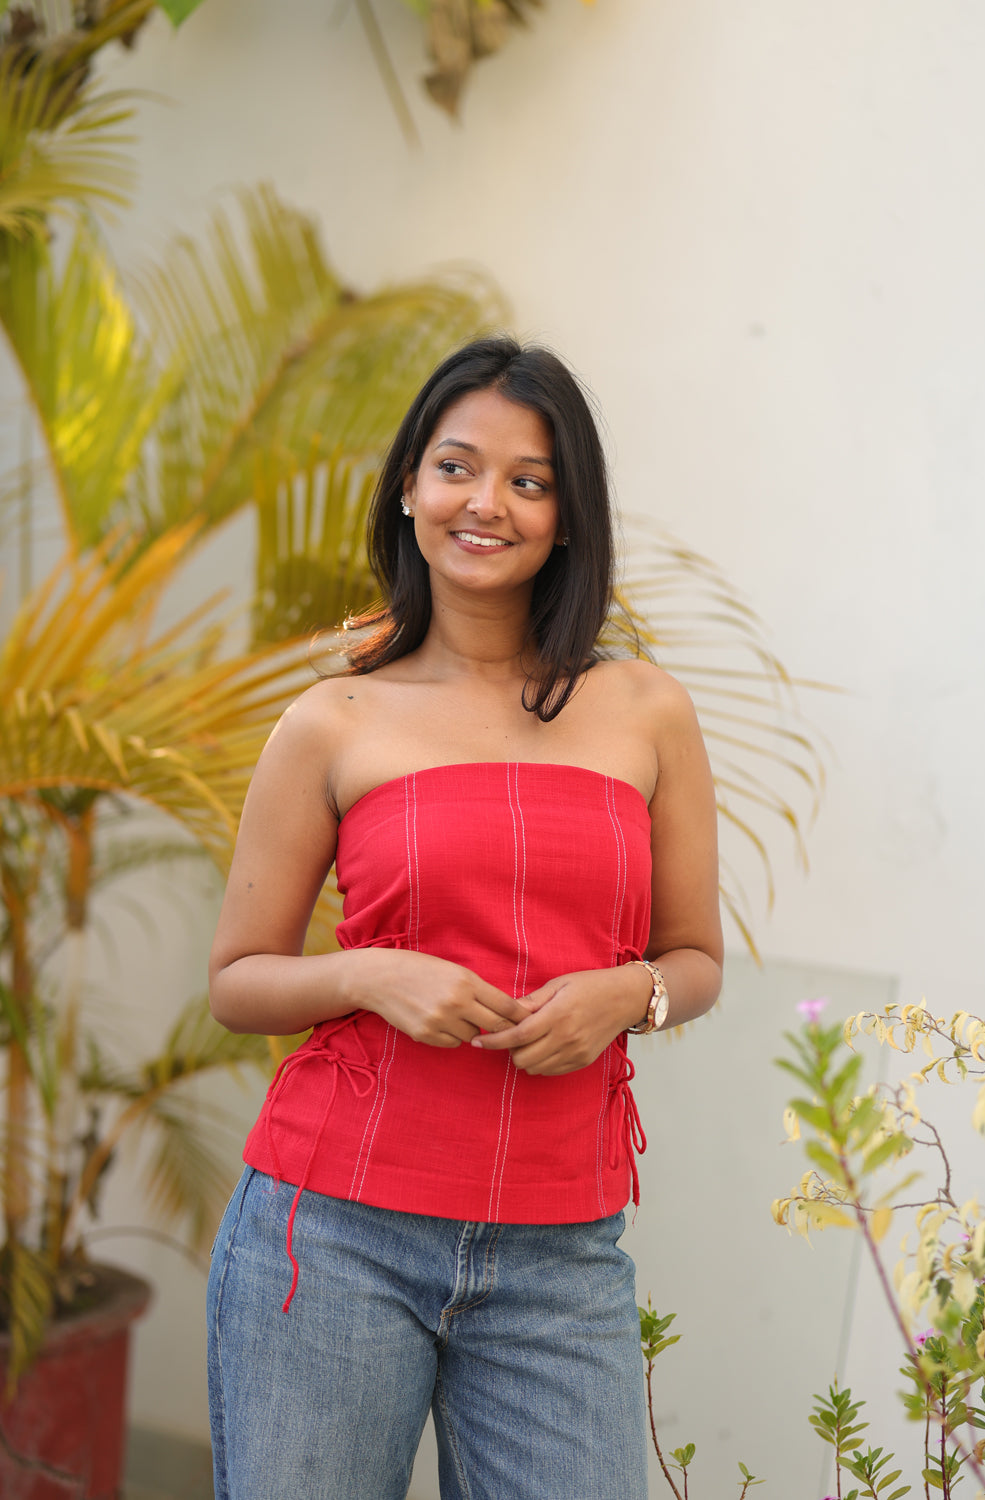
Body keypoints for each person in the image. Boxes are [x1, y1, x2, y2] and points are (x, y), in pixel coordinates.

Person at [205, 335, 724, 1500]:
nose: (486, 502)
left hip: (561, 1258)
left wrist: (624, 994)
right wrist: (370, 974)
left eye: (529, 481)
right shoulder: (333, 719)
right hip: (329, 1237)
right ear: (409, 488)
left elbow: (694, 961)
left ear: (567, 515)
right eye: (457, 467)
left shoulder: (643, 709)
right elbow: (238, 980)